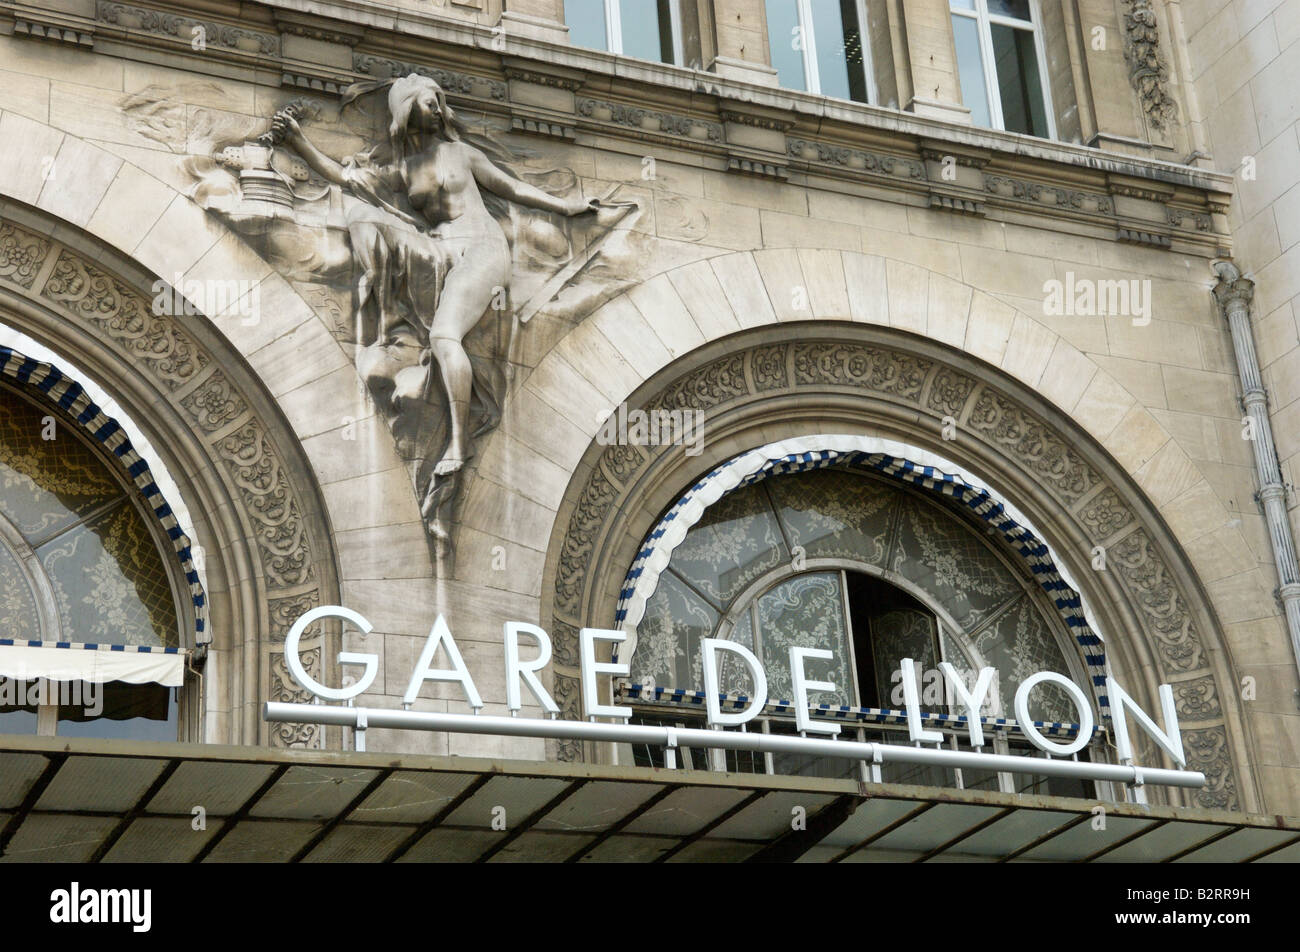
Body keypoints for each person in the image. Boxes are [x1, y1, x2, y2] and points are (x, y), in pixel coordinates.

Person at [271, 75, 600, 477]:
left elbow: (511, 187)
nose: (439, 110)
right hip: (440, 250)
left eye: (440, 103)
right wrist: (299, 142)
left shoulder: (461, 153)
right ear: (406, 111)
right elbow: (348, 180)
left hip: (481, 247)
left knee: (445, 336)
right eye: (430, 103)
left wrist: (566, 208)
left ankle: (459, 444)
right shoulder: (404, 169)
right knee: (364, 217)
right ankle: (394, 328)